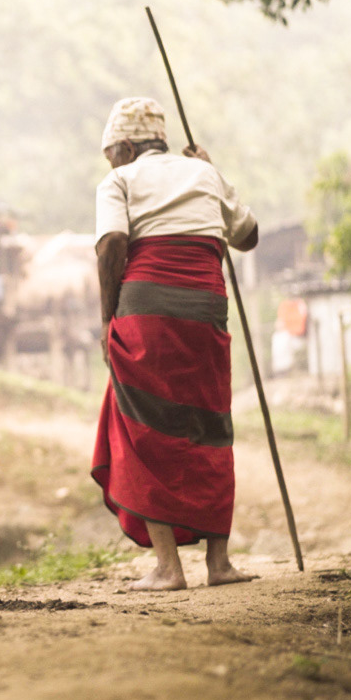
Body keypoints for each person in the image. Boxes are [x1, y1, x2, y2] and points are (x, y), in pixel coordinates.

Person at [91, 96, 259, 591]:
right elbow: (248, 236)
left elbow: (112, 244)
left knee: (143, 429)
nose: (111, 164)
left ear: (125, 147)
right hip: (206, 307)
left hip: (145, 310)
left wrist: (107, 319)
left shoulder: (119, 181)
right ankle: (219, 564)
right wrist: (212, 171)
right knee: (209, 423)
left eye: (111, 155)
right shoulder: (204, 174)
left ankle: (168, 569)